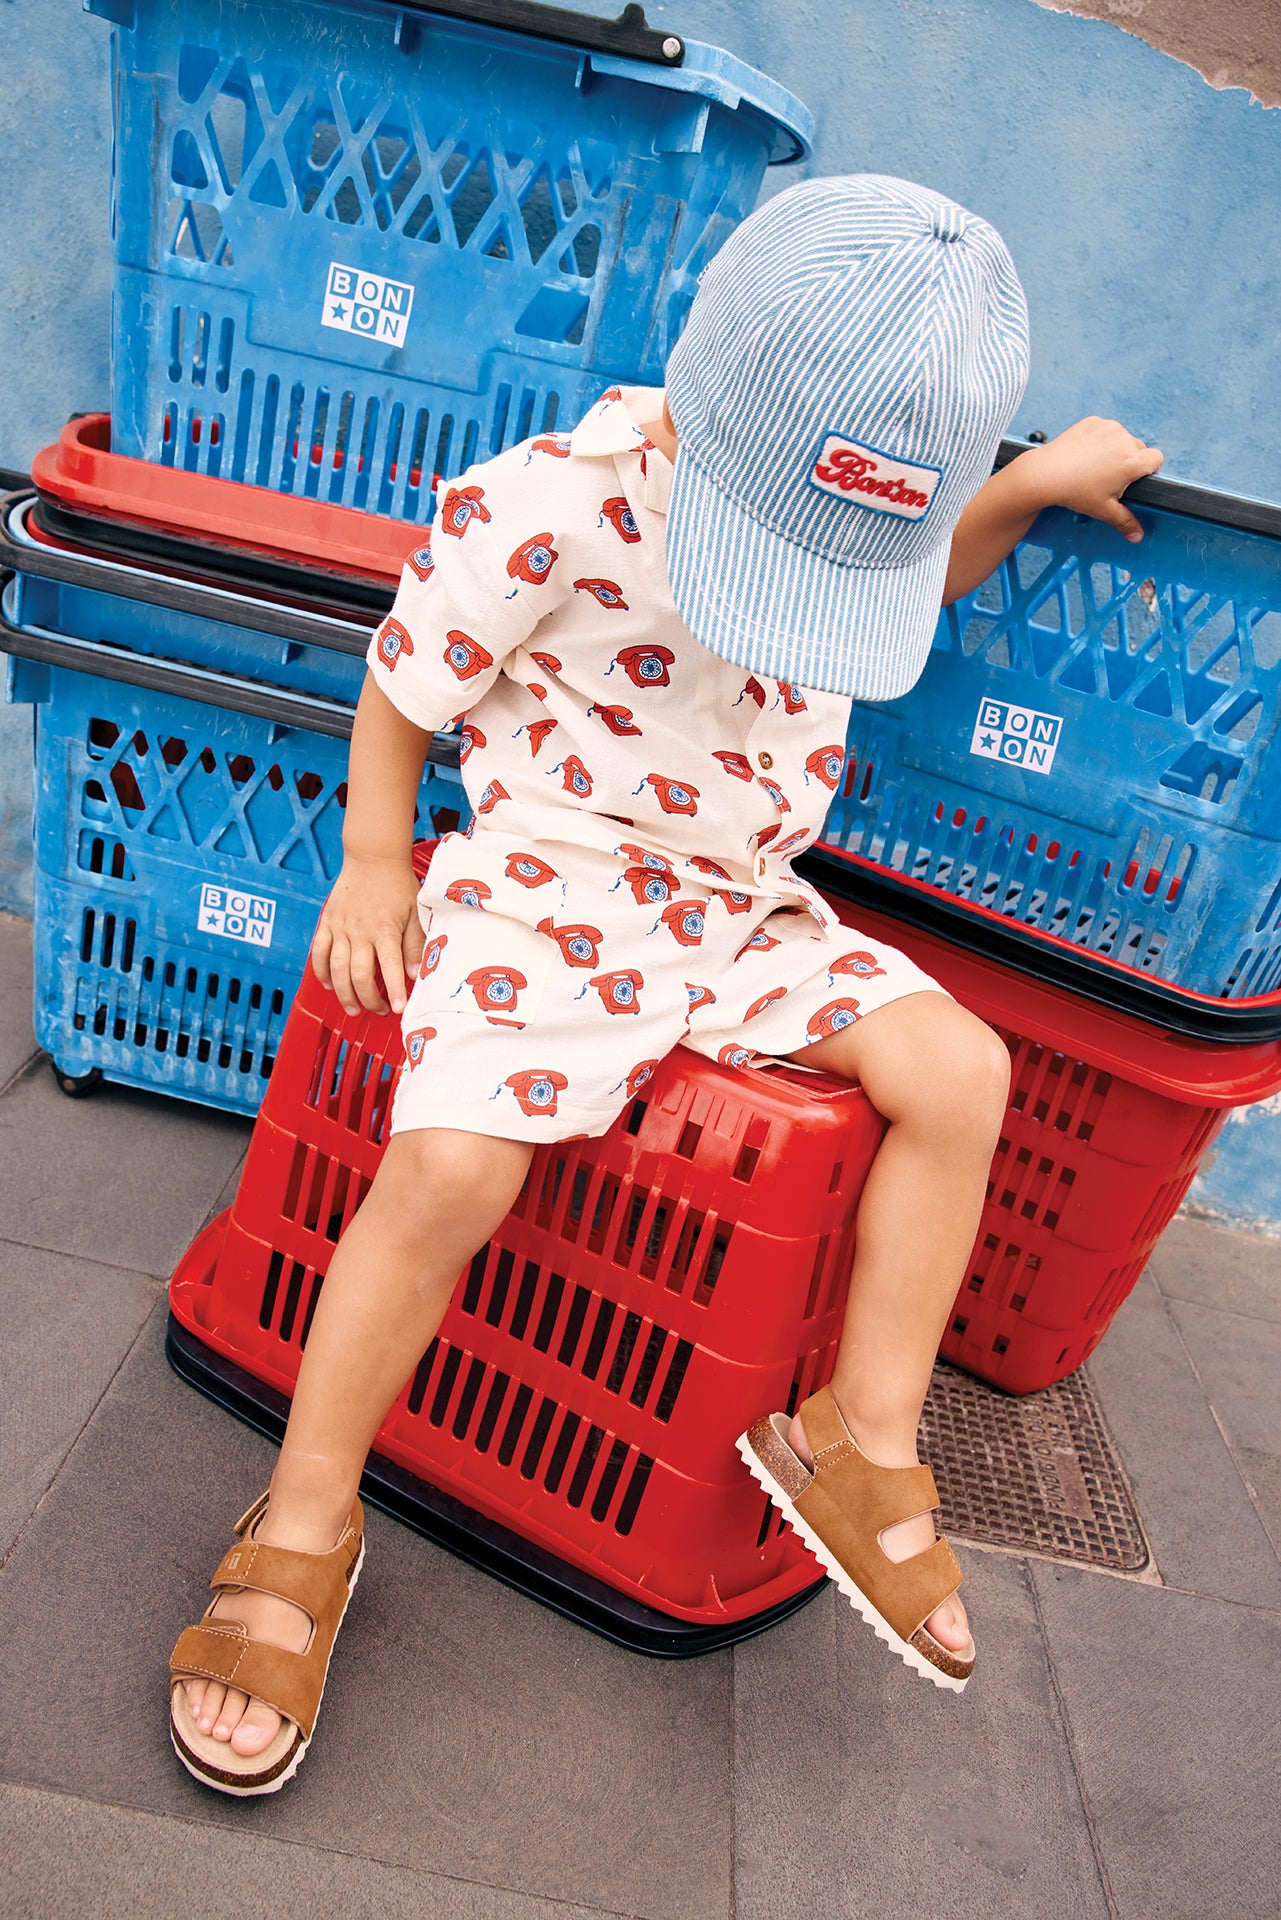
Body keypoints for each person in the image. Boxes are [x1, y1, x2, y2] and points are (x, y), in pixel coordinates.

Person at [169, 174, 1162, 1792]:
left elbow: (911, 579)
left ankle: (862, 1435)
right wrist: (372, 856)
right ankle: (303, 1516)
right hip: (551, 880)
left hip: (738, 904)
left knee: (960, 1071)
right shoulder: (549, 500)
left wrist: (1030, 484)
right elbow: (407, 675)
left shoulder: (859, 522)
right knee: (451, 1168)